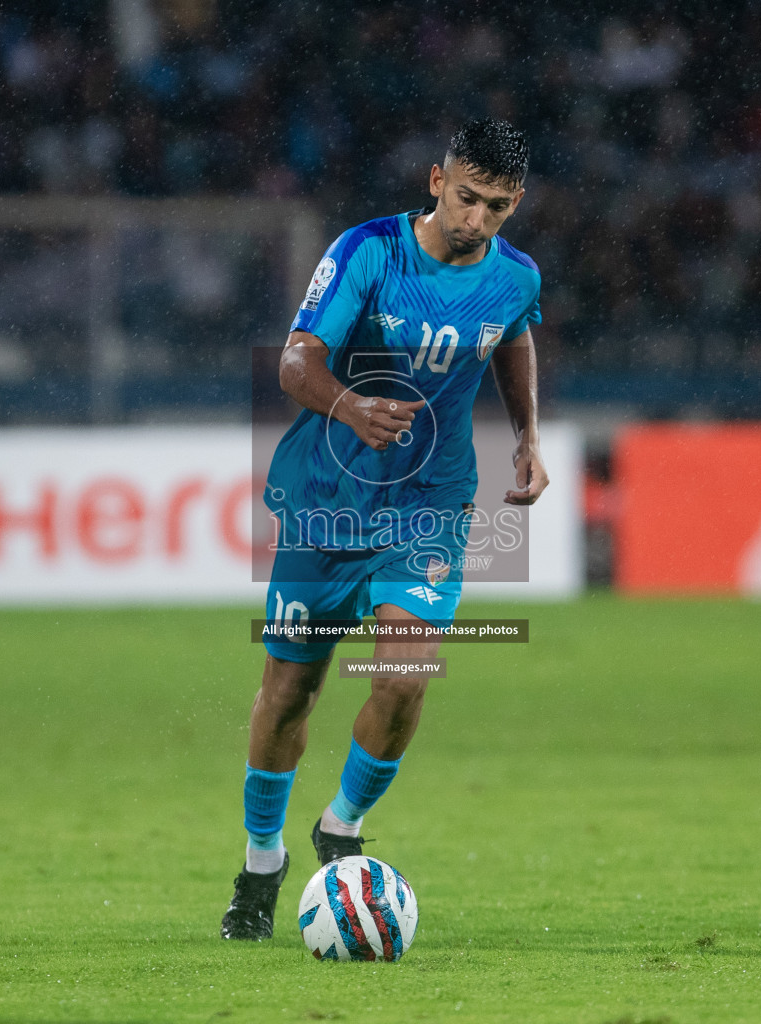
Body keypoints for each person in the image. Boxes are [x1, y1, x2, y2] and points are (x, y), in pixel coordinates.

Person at [221, 118, 549, 940]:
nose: (477, 220)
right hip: (329, 503)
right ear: (437, 182)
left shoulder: (514, 277)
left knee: (405, 677)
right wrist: (348, 403)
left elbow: (513, 336)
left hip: (430, 509)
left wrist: (528, 436)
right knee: (290, 690)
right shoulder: (368, 251)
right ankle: (262, 864)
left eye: (497, 206)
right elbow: (296, 360)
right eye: (467, 197)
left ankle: (341, 825)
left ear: (515, 206)